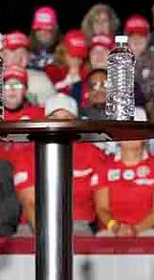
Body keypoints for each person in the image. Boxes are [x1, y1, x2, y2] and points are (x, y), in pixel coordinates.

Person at [11, 94, 107, 236]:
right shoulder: (28, 154)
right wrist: (46, 236)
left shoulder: (93, 153)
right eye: (54, 119)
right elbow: (29, 202)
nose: (61, 125)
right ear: (45, 122)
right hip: (34, 226)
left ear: (76, 122)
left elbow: (103, 201)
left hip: (78, 224)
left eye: (67, 119)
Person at [94, 109, 154, 238]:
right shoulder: (104, 166)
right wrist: (115, 227)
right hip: (113, 230)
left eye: (137, 129)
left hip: (149, 230)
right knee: (103, 240)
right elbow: (102, 209)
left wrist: (136, 229)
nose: (131, 134)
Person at [46, 29, 90, 99]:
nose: (76, 59)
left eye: (80, 56)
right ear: (63, 53)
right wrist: (69, 79)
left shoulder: (87, 73)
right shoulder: (51, 71)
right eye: (72, 55)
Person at [29, 5, 60, 70]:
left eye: (47, 29)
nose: (43, 32)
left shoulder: (65, 51)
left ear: (55, 29)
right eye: (39, 28)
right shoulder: (26, 48)